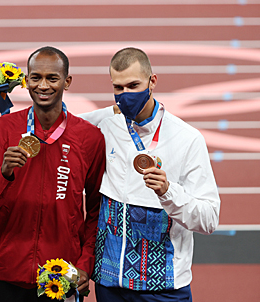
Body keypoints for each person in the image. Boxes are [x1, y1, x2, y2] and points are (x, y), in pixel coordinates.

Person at [83, 47, 221, 301]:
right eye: (118, 88)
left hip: (163, 288)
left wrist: (168, 191)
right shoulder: (105, 123)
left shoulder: (187, 139)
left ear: (152, 81)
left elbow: (209, 219)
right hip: (109, 283)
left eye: (134, 85)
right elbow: (57, 124)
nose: (125, 96)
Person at [0, 46, 106, 302]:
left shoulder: (89, 138)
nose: (43, 85)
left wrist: (85, 263)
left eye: (52, 78)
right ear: (26, 81)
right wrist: (4, 174)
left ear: (67, 82)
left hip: (61, 274)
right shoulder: (3, 129)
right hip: (8, 272)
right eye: (35, 77)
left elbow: (97, 210)